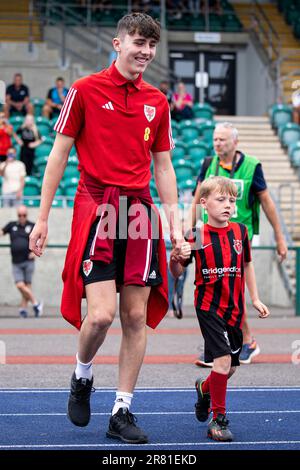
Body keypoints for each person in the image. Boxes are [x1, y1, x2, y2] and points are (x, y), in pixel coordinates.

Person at [29, 13, 182, 444]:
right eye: (138, 43)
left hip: (138, 210)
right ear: (117, 43)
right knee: (99, 316)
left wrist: (174, 224)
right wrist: (42, 218)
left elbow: (164, 166)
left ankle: (121, 410)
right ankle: (82, 376)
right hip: (96, 204)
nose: (145, 52)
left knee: (136, 316)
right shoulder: (83, 91)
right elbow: (58, 156)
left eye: (151, 46)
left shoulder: (158, 100)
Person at [170, 176, 270, 441]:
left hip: (234, 309)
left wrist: (255, 298)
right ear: (204, 203)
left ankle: (204, 389)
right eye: (221, 199)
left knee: (230, 367)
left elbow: (247, 264)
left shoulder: (240, 232)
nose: (228, 205)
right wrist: (175, 259)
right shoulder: (195, 235)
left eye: (232, 200)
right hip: (208, 307)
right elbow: (178, 271)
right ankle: (218, 420)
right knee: (223, 362)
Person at [190, 122, 287, 365]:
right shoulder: (208, 164)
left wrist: (279, 236)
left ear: (235, 142)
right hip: (208, 234)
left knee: (231, 288)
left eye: (222, 139)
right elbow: (196, 198)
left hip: (237, 235)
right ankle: (224, 344)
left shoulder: (252, 166)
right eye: (215, 139)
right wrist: (189, 229)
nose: (217, 143)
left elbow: (267, 202)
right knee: (212, 287)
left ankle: (243, 342)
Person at [0, 206, 43, 318]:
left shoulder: (32, 225)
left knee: (27, 285)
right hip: (16, 261)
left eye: (24, 215)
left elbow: (44, 238)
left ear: (27, 215)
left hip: (28, 260)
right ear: (17, 215)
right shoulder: (12, 225)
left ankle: (23, 309)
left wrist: (36, 251)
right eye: (20, 215)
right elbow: (2, 232)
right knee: (20, 285)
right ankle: (36, 303)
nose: (22, 217)